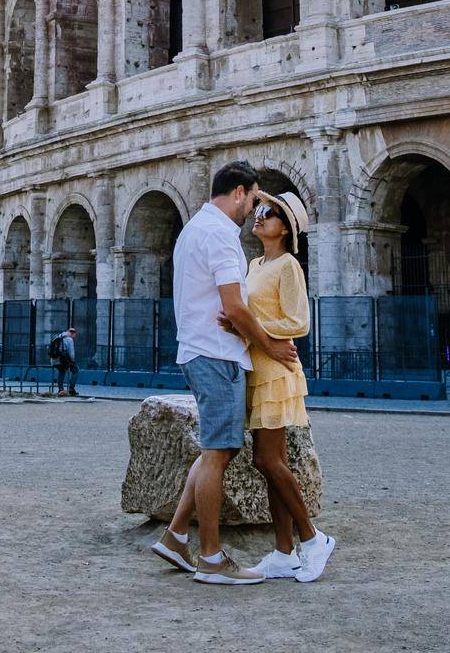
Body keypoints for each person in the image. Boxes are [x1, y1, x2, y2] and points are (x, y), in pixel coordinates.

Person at [151, 161, 302, 587]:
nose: (252, 209)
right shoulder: (220, 235)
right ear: (238, 192)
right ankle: (211, 557)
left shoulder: (195, 228)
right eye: (253, 199)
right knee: (219, 450)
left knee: (220, 449)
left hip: (200, 349)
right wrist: (269, 344)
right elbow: (234, 306)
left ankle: (177, 535)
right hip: (216, 354)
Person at [238, 190, 334, 584]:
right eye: (258, 210)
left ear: (286, 228)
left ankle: (313, 538)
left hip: (276, 370)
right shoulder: (255, 262)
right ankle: (282, 552)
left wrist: (249, 329)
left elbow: (299, 322)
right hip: (257, 367)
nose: (259, 216)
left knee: (267, 460)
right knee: (269, 463)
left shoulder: (288, 265)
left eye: (269, 212)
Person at [52, 326, 79, 397]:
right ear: (72, 333)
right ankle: (71, 389)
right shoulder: (69, 339)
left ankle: (61, 389)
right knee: (76, 370)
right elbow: (71, 353)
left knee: (62, 371)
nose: (74, 337)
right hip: (63, 360)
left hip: (54, 359)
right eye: (74, 335)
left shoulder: (58, 337)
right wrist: (73, 361)